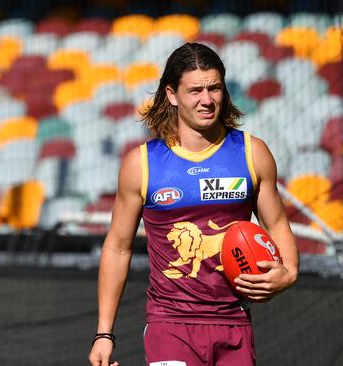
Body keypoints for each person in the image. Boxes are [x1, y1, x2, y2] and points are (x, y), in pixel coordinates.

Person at [88, 43, 299, 366]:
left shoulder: (252, 153)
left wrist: (289, 272)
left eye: (214, 88)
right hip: (170, 325)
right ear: (171, 94)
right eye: (195, 90)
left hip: (235, 322)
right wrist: (104, 333)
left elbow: (277, 224)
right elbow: (117, 247)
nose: (207, 100)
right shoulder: (141, 164)